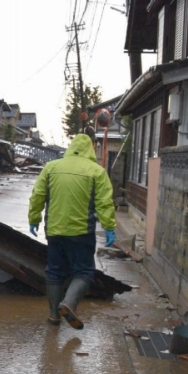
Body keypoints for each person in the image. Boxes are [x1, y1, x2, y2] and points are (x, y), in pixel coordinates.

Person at [27, 133, 116, 329]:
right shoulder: (97, 172)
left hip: (54, 230)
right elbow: (104, 203)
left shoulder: (51, 168)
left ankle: (53, 315)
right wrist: (109, 227)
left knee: (54, 272)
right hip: (81, 232)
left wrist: (34, 219)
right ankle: (69, 303)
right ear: (91, 149)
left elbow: (38, 196)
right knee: (84, 271)